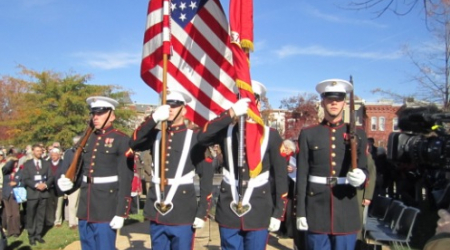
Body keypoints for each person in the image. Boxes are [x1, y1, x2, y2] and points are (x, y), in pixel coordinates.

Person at [197, 80, 288, 250]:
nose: (246, 107)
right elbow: (202, 138)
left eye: (250, 101)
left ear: (258, 104)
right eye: (241, 101)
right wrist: (230, 113)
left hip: (259, 208)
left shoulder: (271, 136)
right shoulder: (226, 131)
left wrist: (278, 213)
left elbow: (281, 176)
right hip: (228, 207)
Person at [129, 90, 214, 250]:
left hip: (182, 211)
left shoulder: (195, 138)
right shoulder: (156, 135)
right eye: (167, 105)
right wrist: (153, 118)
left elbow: (207, 177)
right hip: (157, 208)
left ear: (184, 110)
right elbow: (133, 143)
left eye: (174, 106)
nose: (170, 109)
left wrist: (203, 211)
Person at [296, 79, 368, 250]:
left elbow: (365, 167)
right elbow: (302, 175)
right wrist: (300, 212)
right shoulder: (309, 134)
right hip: (316, 209)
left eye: (339, 99)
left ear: (344, 103)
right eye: (329, 99)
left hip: (345, 207)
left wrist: (362, 177)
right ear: (323, 102)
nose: (334, 103)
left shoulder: (357, 134)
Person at [57, 96, 134, 250]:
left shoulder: (121, 139)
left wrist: (121, 212)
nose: (95, 117)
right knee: (87, 245)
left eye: (100, 113)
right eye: (93, 113)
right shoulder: (88, 139)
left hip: (106, 205)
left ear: (112, 115)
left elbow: (126, 178)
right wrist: (69, 183)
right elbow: (82, 170)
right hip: (86, 204)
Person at [22, 144, 54, 245]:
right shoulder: (27, 164)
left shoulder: (46, 163)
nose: (39, 153)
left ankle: (38, 234)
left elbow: (51, 177)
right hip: (33, 193)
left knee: (41, 215)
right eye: (37, 151)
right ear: (32, 151)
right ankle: (31, 235)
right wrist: (36, 185)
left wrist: (45, 184)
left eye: (40, 151)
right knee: (31, 215)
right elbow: (25, 179)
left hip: (43, 193)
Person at [56, 135, 81, 229]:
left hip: (82, 181)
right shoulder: (69, 152)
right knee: (72, 204)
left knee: (79, 203)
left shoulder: (84, 152)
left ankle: (79, 219)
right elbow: (65, 166)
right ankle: (72, 222)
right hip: (73, 182)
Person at [1, 152, 22, 238]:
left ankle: (16, 231)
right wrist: (11, 161)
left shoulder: (20, 171)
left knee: (16, 214)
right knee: (9, 214)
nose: (15, 163)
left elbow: (23, 181)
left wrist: (17, 183)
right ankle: (10, 231)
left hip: (16, 194)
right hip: (6, 194)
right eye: (14, 162)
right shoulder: (5, 171)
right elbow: (6, 168)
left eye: (16, 161)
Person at [45, 147, 64, 227]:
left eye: (55, 155)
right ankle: (50, 220)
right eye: (52, 155)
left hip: (59, 187)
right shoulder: (47, 163)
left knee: (59, 204)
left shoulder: (63, 163)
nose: (53, 157)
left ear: (59, 156)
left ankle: (58, 221)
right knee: (49, 205)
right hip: (49, 187)